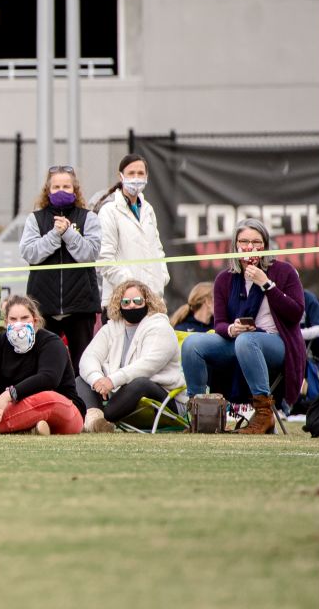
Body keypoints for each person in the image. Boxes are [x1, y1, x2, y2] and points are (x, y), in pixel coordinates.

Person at [180, 218, 306, 434]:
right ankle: (201, 415)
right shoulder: (224, 279)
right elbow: (219, 323)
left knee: (248, 340)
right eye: (244, 241)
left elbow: (296, 313)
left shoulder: (284, 271)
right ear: (235, 245)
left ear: (266, 245)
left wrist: (266, 284)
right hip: (239, 341)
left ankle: (264, 416)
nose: (250, 247)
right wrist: (231, 329)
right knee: (193, 343)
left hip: (277, 343)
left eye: (257, 242)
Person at [0, 296, 85, 435]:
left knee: (47, 398)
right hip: (13, 407)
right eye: (13, 319)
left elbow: (48, 378)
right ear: (6, 322)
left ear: (35, 320)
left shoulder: (51, 342)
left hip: (61, 407)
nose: (18, 324)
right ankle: (27, 428)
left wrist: (8, 395)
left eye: (24, 318)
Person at [19, 165, 102, 373]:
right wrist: (54, 235)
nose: (61, 190)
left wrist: (69, 234)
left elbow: (90, 254)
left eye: (66, 186)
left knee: (83, 364)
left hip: (81, 306)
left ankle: (83, 403)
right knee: (45, 364)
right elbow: (29, 253)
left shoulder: (88, 218)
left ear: (75, 190)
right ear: (48, 190)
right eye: (56, 187)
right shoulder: (35, 219)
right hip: (44, 306)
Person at [76, 280, 183, 433]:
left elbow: (146, 366)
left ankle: (103, 419)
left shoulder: (160, 327)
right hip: (118, 394)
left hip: (164, 397)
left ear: (147, 301)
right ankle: (96, 422)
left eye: (137, 301)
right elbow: (88, 357)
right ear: (119, 304)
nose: (132, 305)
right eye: (126, 302)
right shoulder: (111, 328)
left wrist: (112, 381)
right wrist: (97, 379)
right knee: (83, 379)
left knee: (139, 383)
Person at [94, 154, 168, 321]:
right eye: (131, 173)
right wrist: (133, 286)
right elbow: (104, 259)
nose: (136, 178)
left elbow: (157, 248)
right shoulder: (109, 211)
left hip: (152, 301)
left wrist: (162, 276)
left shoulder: (148, 209)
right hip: (122, 302)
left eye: (140, 173)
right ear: (121, 176)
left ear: (147, 176)